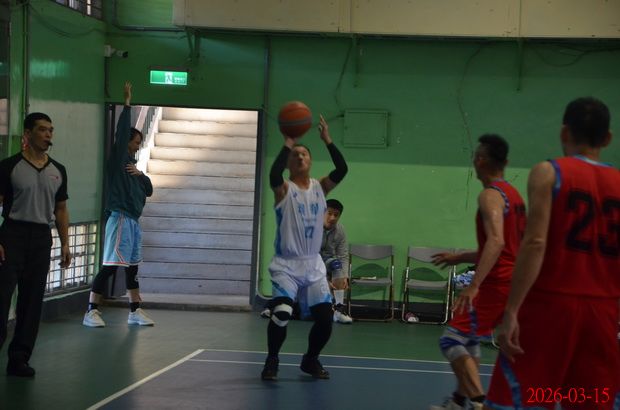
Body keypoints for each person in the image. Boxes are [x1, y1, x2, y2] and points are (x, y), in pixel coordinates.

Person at [484, 98, 620, 410]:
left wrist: (512, 309)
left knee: (523, 398)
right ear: (608, 138)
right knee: (588, 400)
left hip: (551, 304)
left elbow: (535, 243)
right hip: (603, 311)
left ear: (564, 132)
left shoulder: (549, 172)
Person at [430, 134, 526, 409]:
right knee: (470, 339)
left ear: (480, 161)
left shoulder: (490, 195)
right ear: (505, 162)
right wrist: (460, 257)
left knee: (451, 339)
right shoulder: (515, 196)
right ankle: (459, 400)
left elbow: (496, 242)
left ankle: (480, 402)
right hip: (512, 281)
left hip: (497, 283)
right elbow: (509, 247)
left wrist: (473, 286)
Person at [261, 114, 347, 381]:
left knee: (325, 319)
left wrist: (328, 140)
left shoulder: (320, 188)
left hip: (312, 264)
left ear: (310, 161)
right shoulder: (284, 190)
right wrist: (288, 142)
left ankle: (310, 360)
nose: (300, 157)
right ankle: (272, 360)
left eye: (304, 154)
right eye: (295, 155)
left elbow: (342, 169)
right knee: (282, 313)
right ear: (289, 162)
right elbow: (273, 174)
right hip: (286, 264)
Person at [0, 112, 72, 377]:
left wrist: (65, 244)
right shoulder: (9, 166)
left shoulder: (58, 171)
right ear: (28, 134)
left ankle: (19, 359)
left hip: (41, 238)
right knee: (1, 299)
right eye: (42, 129)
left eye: (50, 130)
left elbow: (61, 209)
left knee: (31, 303)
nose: (48, 134)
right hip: (12, 235)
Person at [82, 82, 154, 328]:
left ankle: (135, 311)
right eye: (135, 141)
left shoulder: (135, 170)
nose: (137, 145)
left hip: (133, 222)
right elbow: (122, 133)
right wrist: (127, 103)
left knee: (132, 269)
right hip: (120, 218)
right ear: (126, 143)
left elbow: (149, 189)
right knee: (111, 266)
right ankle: (91, 311)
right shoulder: (119, 161)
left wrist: (141, 175)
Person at [321, 198, 353, 324]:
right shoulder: (311, 228)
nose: (332, 217)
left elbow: (343, 255)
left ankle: (339, 311)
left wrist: (345, 276)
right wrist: (323, 279)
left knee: (337, 265)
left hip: (327, 261)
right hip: (309, 262)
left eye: (336, 215)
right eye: (329, 213)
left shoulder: (340, 230)